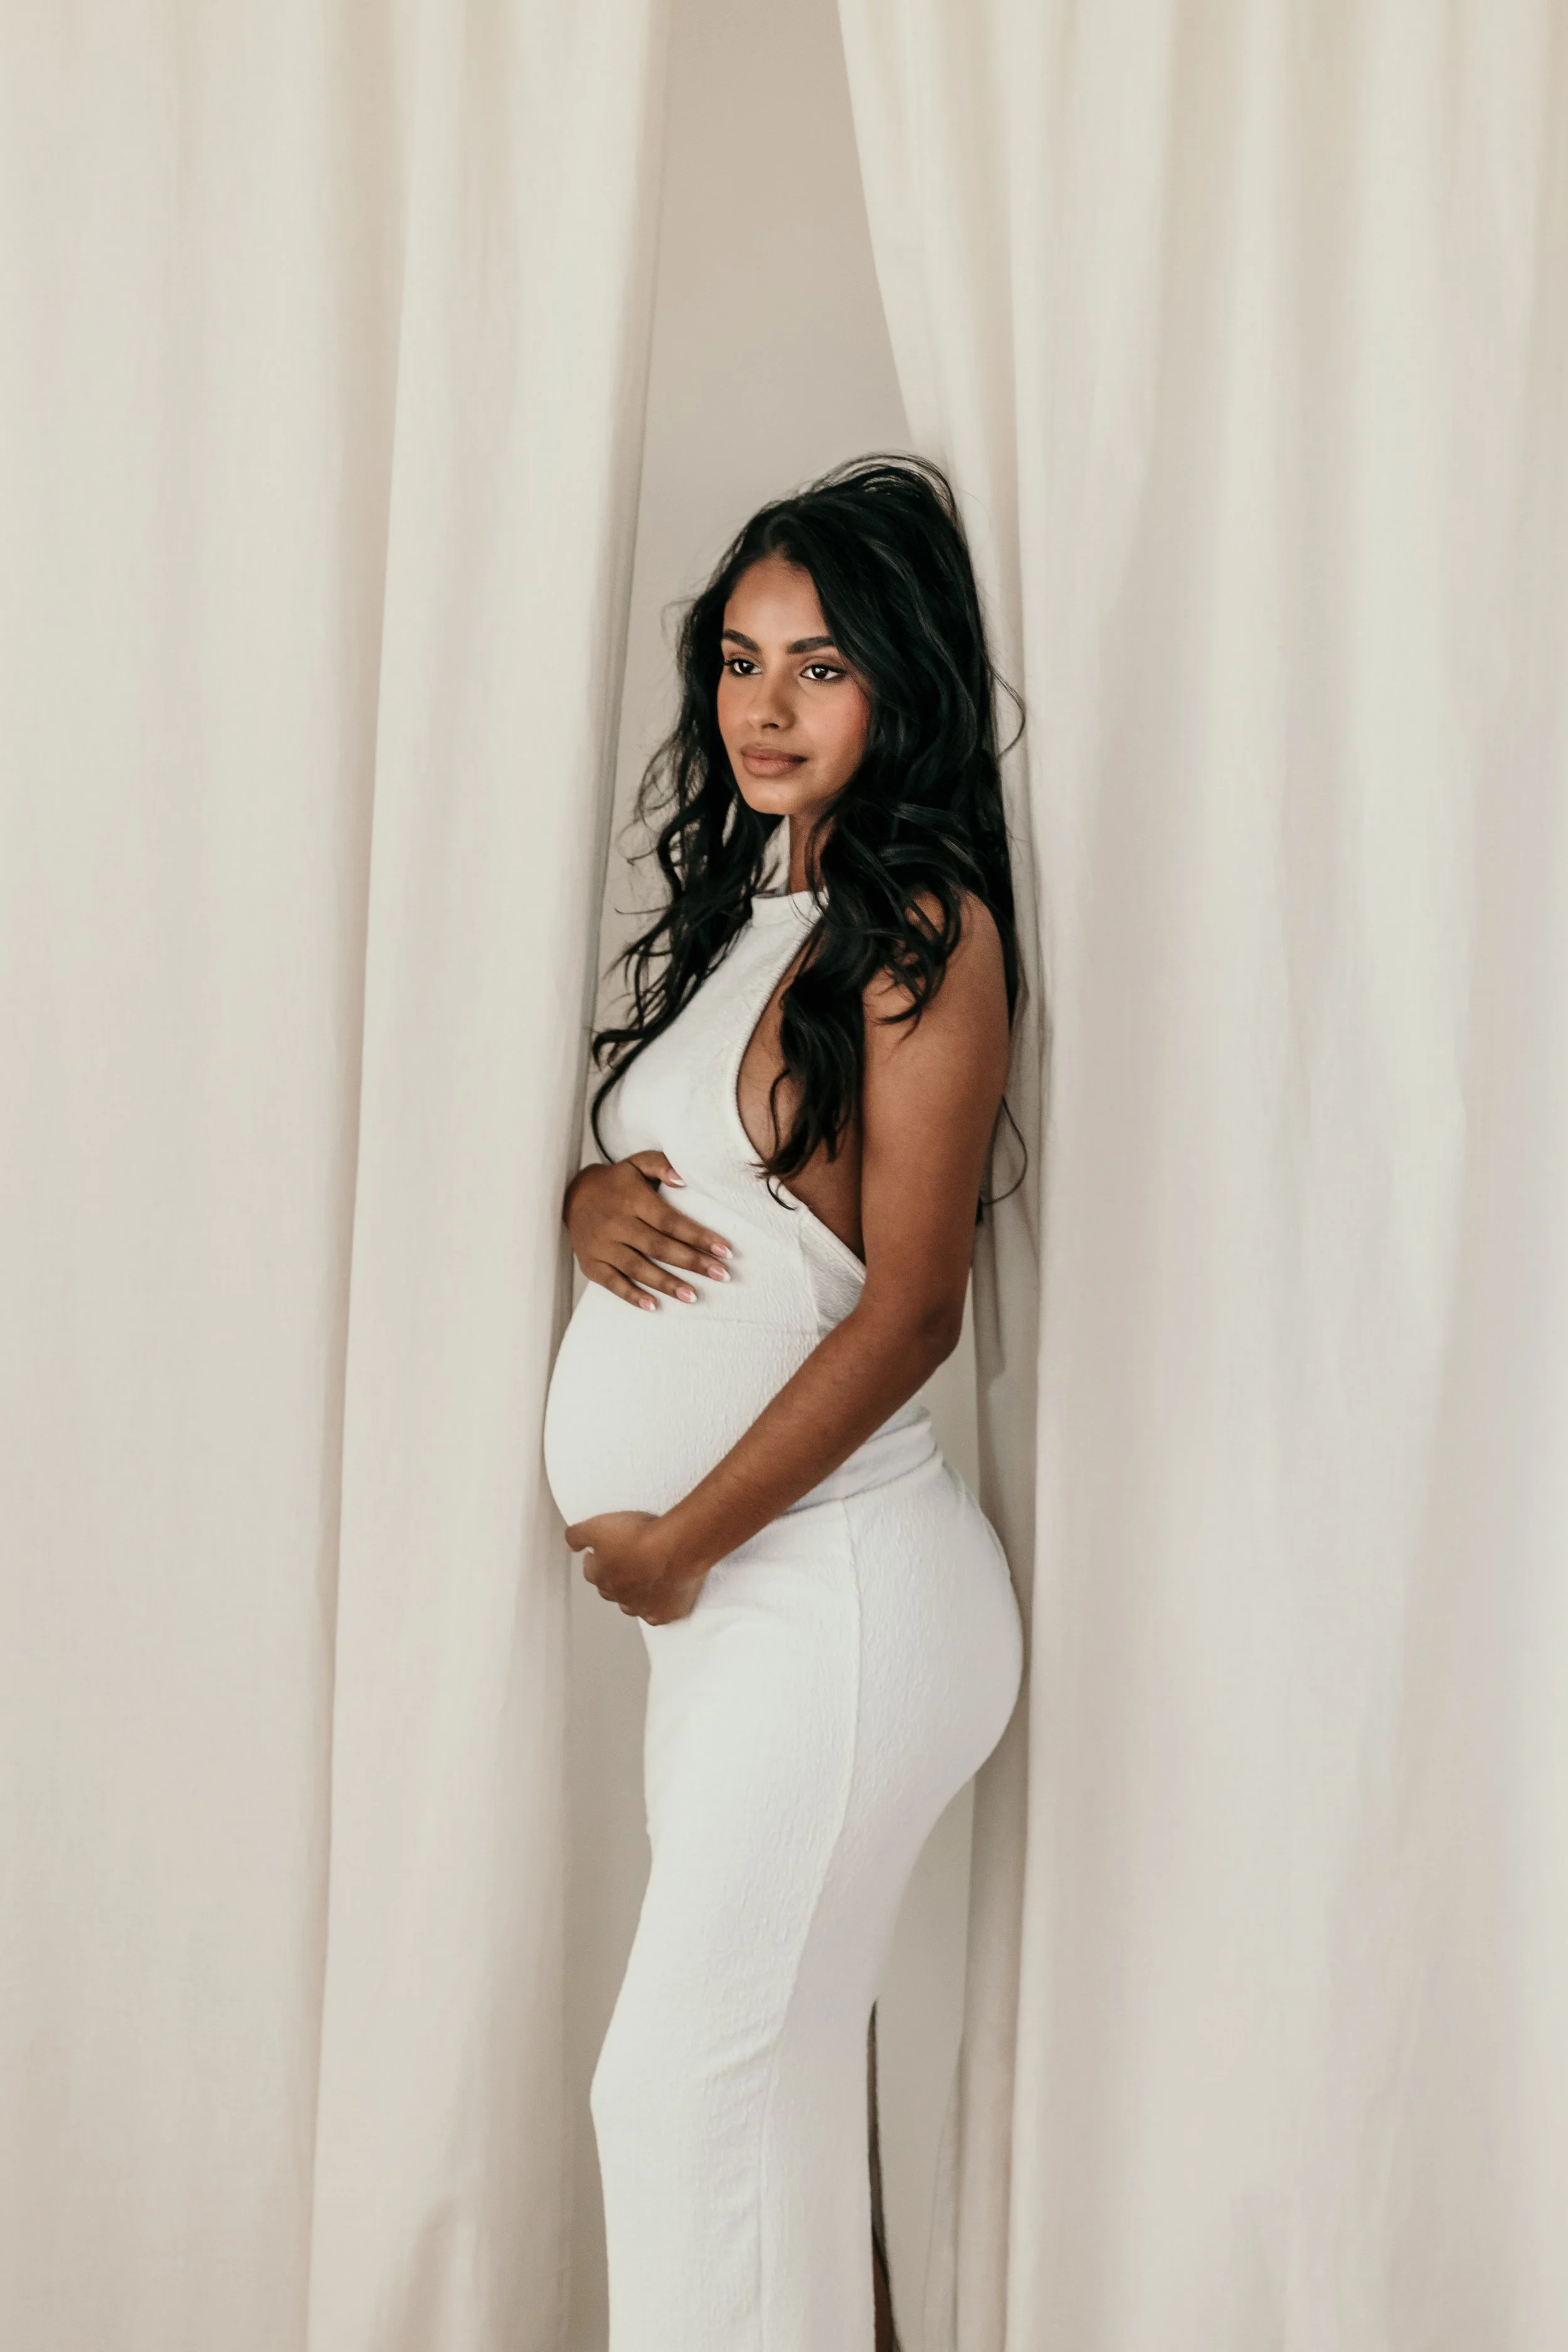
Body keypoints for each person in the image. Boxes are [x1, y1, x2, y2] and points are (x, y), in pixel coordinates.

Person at [543, 455, 1026, 2352]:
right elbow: (732, 1207)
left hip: (829, 1592)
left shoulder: (922, 931)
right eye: (740, 661)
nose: (765, 705)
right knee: (779, 2118)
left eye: (819, 664)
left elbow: (909, 1310)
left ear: (901, 677)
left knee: (675, 2099)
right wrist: (578, 1201)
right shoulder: (754, 919)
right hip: (736, 1615)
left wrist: (683, 1541)